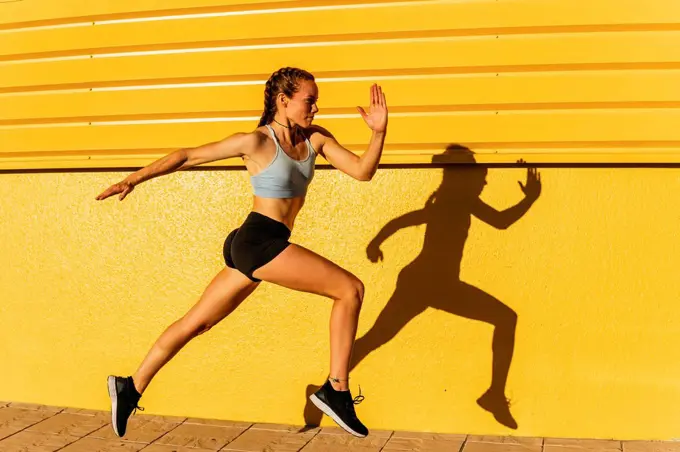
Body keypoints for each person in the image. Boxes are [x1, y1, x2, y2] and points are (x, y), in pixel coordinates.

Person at [96, 67, 388, 438]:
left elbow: (363, 172)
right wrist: (133, 178)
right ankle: (336, 390)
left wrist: (378, 133)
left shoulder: (316, 139)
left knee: (196, 323)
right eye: (309, 100)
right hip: (258, 240)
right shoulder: (256, 143)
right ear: (283, 101)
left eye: (316, 101)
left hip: (257, 245)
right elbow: (187, 155)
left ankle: (131, 385)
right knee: (350, 289)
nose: (315, 108)